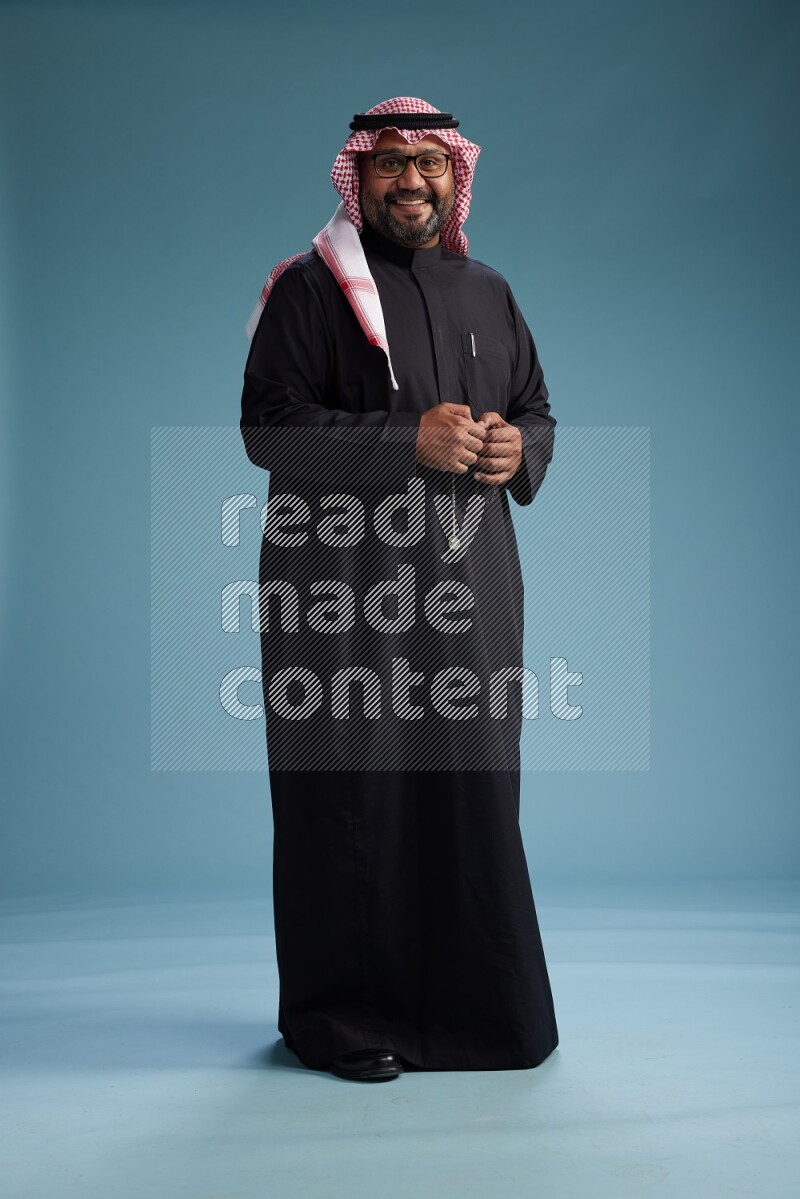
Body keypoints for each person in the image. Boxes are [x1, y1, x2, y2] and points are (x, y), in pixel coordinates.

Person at [240, 96, 559, 1083]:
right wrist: (402, 441)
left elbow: (535, 409)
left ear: (454, 175)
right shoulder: (310, 290)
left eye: (427, 163)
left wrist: (517, 449)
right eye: (389, 165)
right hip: (343, 595)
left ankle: (478, 1013)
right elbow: (267, 427)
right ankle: (344, 1019)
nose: (410, 181)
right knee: (350, 792)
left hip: (468, 592)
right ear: (358, 176)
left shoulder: (489, 290)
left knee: (468, 791)